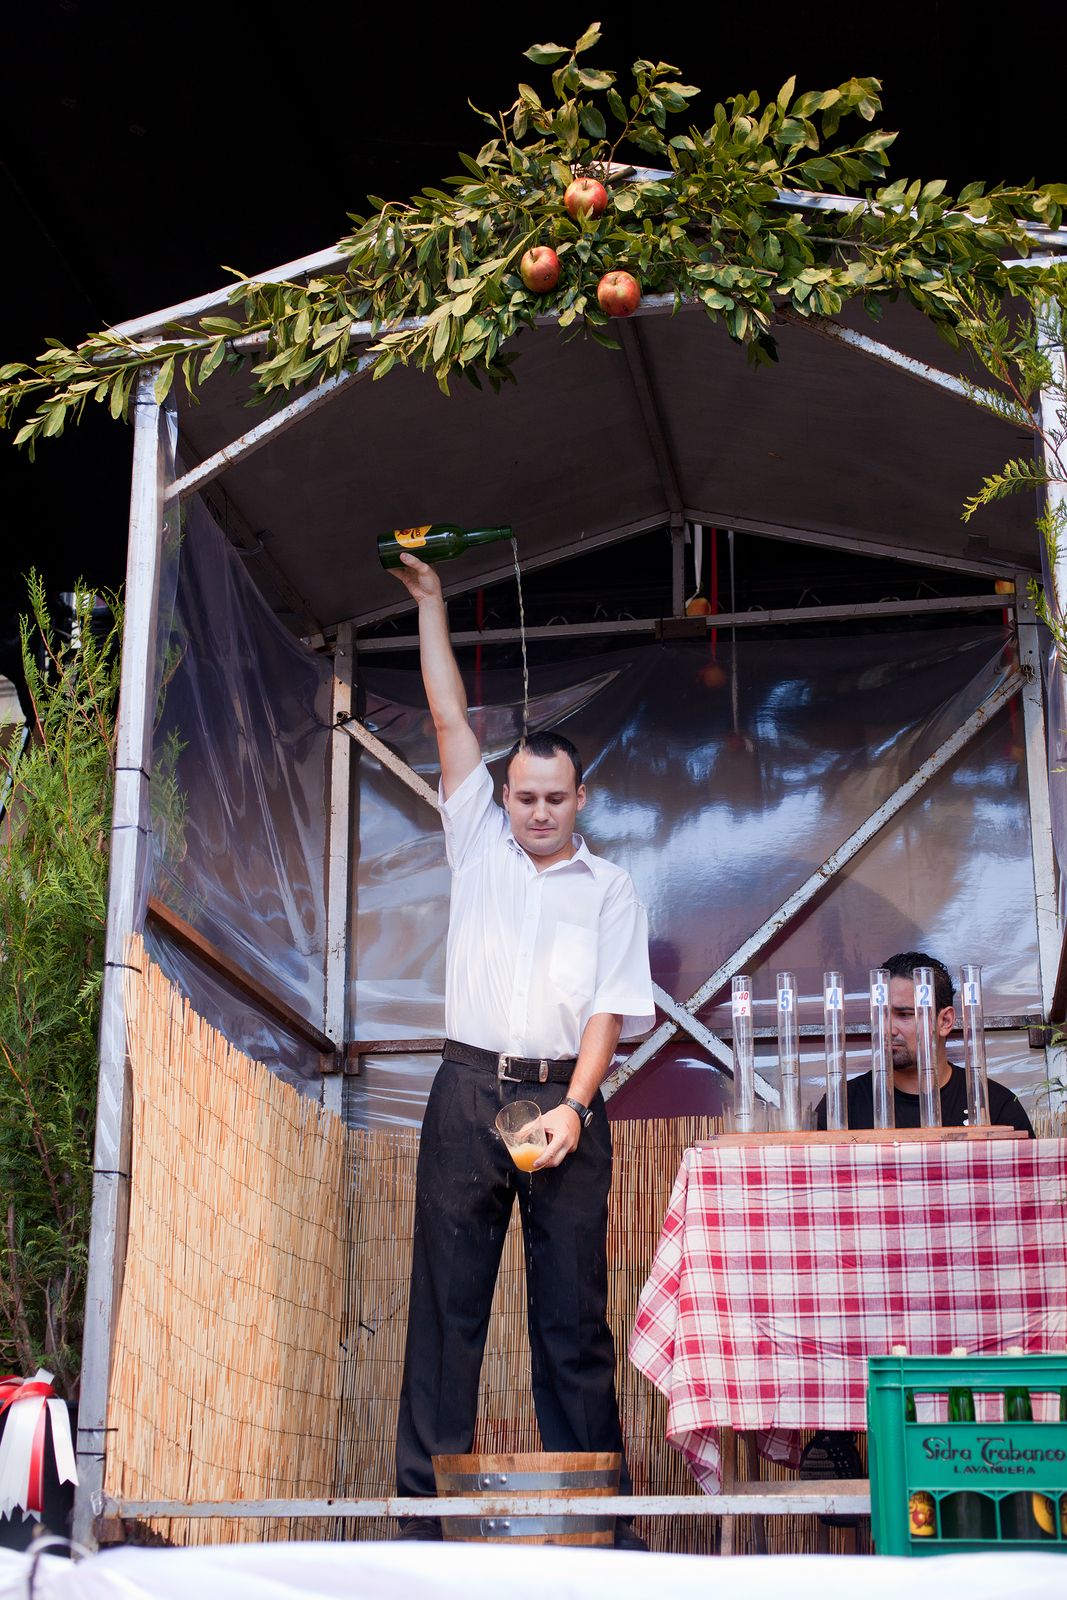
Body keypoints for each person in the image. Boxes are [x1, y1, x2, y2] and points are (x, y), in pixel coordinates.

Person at [389, 552, 655, 1545]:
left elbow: (608, 1014)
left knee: (570, 1324)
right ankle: (423, 1532)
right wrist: (429, 606)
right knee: (445, 1316)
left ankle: (604, 1529)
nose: (537, 811)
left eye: (554, 798)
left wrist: (577, 1109)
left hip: (562, 1103)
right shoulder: (473, 841)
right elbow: (450, 717)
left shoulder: (610, 888)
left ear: (578, 799)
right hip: (466, 1093)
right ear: (500, 797)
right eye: (523, 796)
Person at [814, 951, 1033, 1134]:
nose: (888, 1029)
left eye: (905, 1014)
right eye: (881, 1015)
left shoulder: (996, 1105)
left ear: (945, 1021)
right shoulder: (842, 1106)